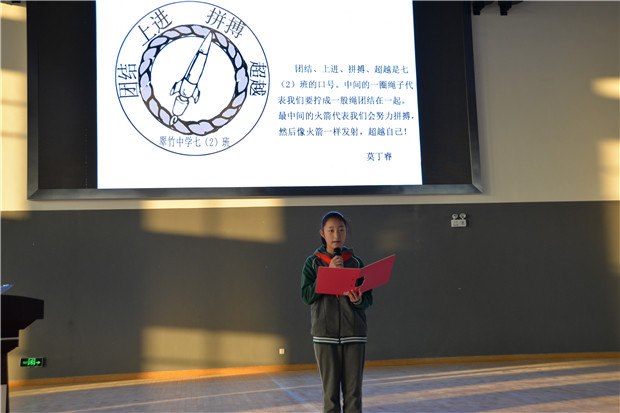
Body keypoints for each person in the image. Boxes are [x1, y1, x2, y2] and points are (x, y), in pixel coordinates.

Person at [301, 211, 373, 413]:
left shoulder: (356, 263)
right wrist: (328, 274)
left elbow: (368, 298)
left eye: (341, 230)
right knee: (330, 395)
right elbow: (306, 296)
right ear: (322, 233)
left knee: (353, 395)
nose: (336, 235)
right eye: (331, 230)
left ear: (346, 233)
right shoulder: (313, 263)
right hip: (325, 335)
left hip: (355, 334)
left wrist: (358, 300)